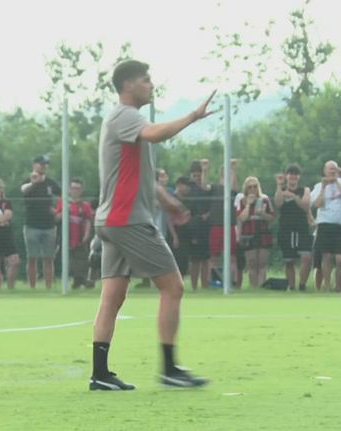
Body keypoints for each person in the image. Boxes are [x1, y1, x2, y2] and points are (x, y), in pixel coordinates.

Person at [90, 60, 214, 391]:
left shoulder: (124, 119)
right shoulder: (125, 115)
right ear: (128, 85)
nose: (151, 85)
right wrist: (192, 116)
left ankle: (99, 375)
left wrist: (167, 201)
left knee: (112, 297)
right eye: (146, 80)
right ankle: (170, 369)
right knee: (173, 287)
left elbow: (136, 176)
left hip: (113, 220)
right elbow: (156, 134)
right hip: (128, 221)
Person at [21, 155, 61, 289]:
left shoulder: (51, 183)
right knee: (32, 258)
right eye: (41, 164)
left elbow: (63, 196)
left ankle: (48, 286)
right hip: (31, 224)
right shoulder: (28, 181)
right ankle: (32, 287)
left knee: (48, 258)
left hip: (49, 226)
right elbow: (23, 190)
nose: (44, 166)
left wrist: (58, 211)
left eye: (46, 164)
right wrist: (34, 183)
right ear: (34, 165)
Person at [310, 161, 341, 292]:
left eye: (334, 169)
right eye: (330, 169)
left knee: (340, 259)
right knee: (326, 257)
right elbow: (318, 204)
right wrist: (324, 187)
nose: (332, 171)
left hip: (339, 226)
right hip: (324, 224)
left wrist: (336, 181)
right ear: (325, 171)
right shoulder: (318, 186)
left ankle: (339, 288)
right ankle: (327, 286)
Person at [274, 164, 313, 291]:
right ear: (286, 176)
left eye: (295, 174)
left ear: (299, 177)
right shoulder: (281, 189)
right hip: (286, 228)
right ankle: (291, 286)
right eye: (290, 174)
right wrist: (279, 186)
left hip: (301, 228)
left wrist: (294, 197)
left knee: (306, 257)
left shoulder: (305, 190)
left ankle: (302, 284)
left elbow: (305, 206)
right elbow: (278, 203)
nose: (293, 176)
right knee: (289, 261)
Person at [236, 177, 274, 288]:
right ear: (246, 189)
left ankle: (262, 287)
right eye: (250, 187)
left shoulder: (265, 199)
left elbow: (272, 217)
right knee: (252, 263)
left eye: (255, 186)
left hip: (263, 234)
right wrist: (248, 204)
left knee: (262, 263)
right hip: (249, 234)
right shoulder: (242, 201)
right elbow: (242, 218)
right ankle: (253, 288)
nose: (252, 189)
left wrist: (262, 214)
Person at [56, 179, 94, 289]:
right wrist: (64, 211)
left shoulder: (85, 205)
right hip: (65, 236)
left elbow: (88, 220)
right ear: (69, 189)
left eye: (78, 188)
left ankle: (80, 280)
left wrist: (86, 234)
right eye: (73, 188)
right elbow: (56, 218)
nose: (75, 191)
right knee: (67, 260)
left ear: (81, 190)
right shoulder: (63, 202)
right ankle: (70, 279)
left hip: (79, 236)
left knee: (81, 260)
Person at [186, 160, 212, 290]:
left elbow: (206, 188)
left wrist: (205, 170)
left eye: (199, 175)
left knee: (205, 258)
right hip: (193, 227)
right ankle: (194, 287)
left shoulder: (207, 187)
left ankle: (205, 286)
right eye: (194, 175)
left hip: (205, 226)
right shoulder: (189, 189)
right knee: (195, 259)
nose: (196, 178)